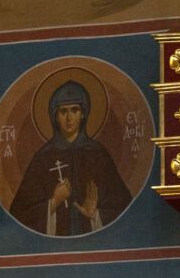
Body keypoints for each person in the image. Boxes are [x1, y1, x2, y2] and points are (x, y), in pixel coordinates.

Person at [7, 79, 132, 236]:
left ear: (83, 114)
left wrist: (95, 215)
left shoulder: (98, 155)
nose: (68, 118)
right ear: (55, 116)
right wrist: (54, 202)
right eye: (63, 111)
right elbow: (19, 214)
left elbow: (124, 210)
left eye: (74, 110)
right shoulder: (43, 158)